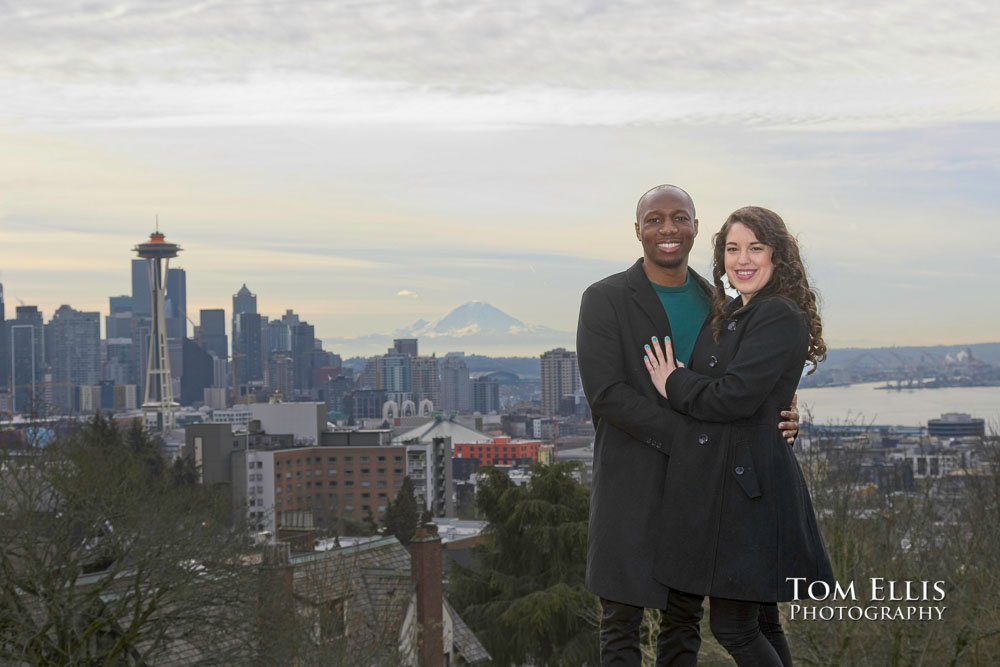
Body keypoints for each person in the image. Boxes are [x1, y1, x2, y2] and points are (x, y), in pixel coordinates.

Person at [576, 186, 799, 666]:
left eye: (680, 218)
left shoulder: (719, 303)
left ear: (697, 228)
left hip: (701, 491)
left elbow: (743, 386)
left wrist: (780, 416)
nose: (668, 229)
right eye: (654, 220)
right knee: (620, 625)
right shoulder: (604, 298)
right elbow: (607, 394)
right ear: (638, 231)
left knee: (683, 625)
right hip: (630, 483)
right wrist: (692, 440)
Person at [641, 206, 835, 666]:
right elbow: (747, 395)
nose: (742, 259)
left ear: (777, 256)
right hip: (736, 485)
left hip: (749, 493)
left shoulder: (778, 315)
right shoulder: (734, 313)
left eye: (755, 248)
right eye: (732, 249)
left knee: (732, 625)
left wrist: (674, 381)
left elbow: (735, 397)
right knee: (761, 622)